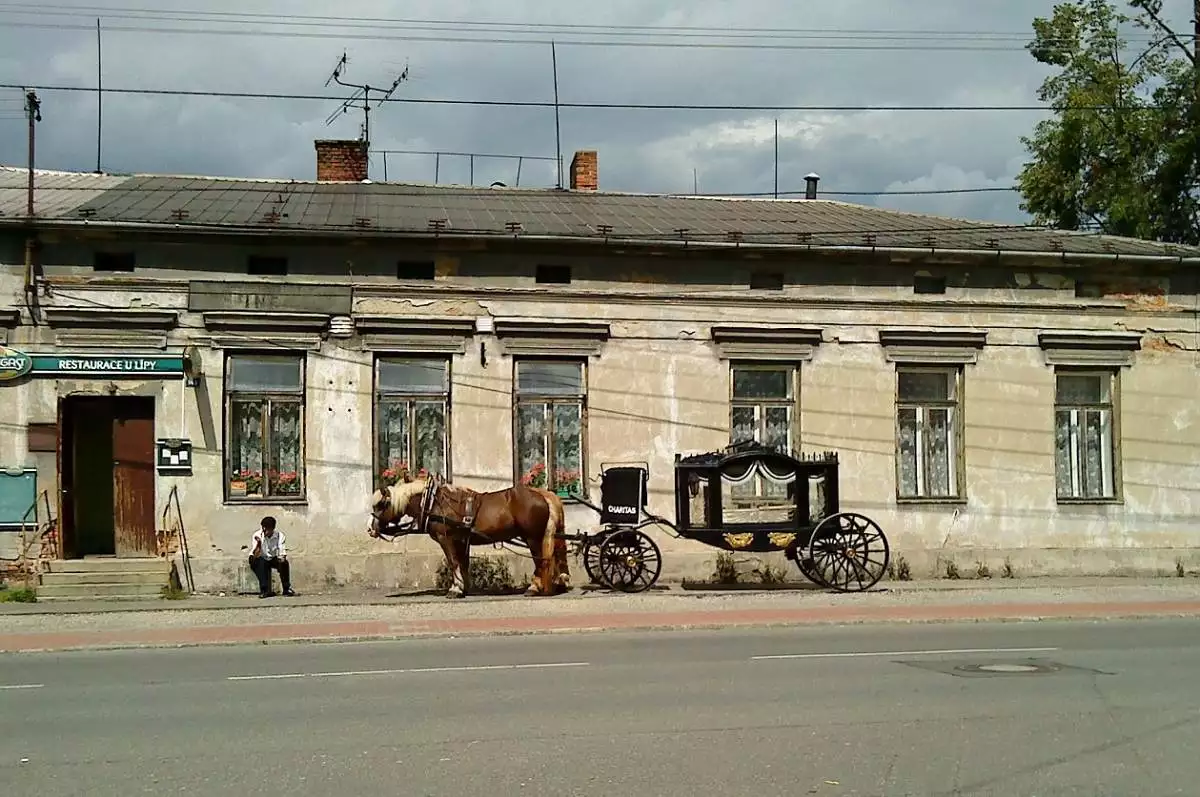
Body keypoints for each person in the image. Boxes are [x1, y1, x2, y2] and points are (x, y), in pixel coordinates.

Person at [248, 516, 294, 598]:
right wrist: (259, 543)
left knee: (284, 564)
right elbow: (256, 554)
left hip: (272, 557)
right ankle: (264, 590)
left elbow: (282, 550)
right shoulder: (257, 535)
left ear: (272, 529)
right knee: (260, 563)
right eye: (264, 528)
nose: (265, 531)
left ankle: (286, 588)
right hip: (258, 557)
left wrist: (282, 558)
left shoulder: (280, 536)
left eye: (268, 529)